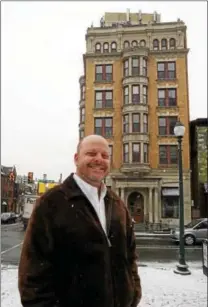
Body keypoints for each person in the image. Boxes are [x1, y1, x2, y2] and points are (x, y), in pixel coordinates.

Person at [18, 134, 142, 307]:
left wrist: (133, 295)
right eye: (91, 154)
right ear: (76, 159)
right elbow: (32, 276)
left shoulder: (117, 204)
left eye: (105, 156)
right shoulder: (51, 203)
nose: (99, 159)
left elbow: (130, 258)